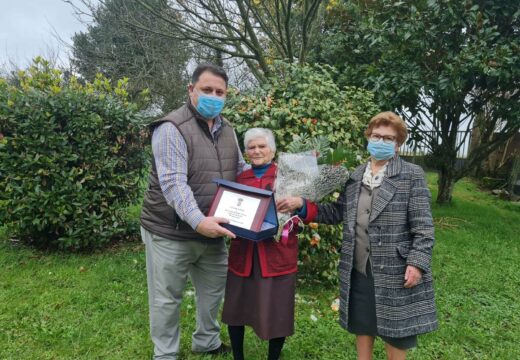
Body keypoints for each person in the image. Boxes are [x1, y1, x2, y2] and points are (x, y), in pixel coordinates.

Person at [277, 112, 438, 360]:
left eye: (388, 138)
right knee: (363, 323)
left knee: (396, 332)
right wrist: (301, 204)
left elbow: (424, 227)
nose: (381, 141)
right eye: (376, 136)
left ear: (398, 144)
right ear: (368, 137)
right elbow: (337, 212)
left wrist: (417, 263)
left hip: (396, 268)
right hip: (359, 266)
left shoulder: (411, 175)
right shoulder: (355, 175)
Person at [140, 64, 246, 359]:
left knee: (213, 292)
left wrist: (274, 177)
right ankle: (166, 353)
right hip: (170, 231)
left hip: (214, 230)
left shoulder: (228, 131)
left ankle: (206, 341)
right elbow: (173, 184)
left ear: (227, 95)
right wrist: (200, 222)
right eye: (207, 90)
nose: (214, 96)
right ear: (191, 90)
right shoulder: (171, 128)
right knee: (166, 298)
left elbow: (240, 172)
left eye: (220, 92)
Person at [221, 128, 313, 360]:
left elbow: (311, 210)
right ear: (246, 151)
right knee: (236, 308)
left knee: (277, 310)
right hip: (244, 253)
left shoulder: (288, 176)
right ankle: (238, 357)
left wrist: (299, 204)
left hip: (277, 254)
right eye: (252, 147)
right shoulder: (240, 178)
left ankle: (273, 357)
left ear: (272, 150)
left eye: (262, 146)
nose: (257, 151)